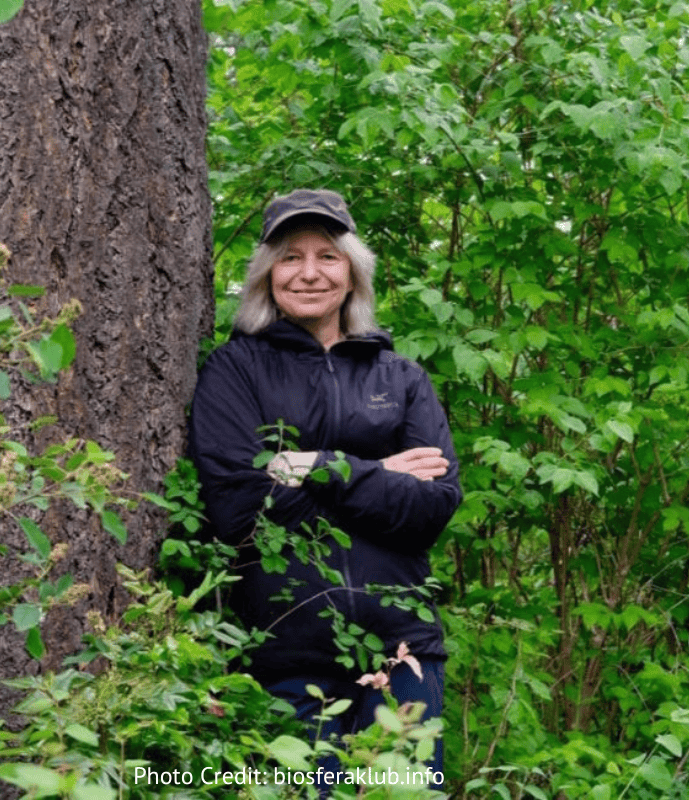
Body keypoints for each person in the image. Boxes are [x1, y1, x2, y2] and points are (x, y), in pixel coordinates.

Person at [188, 188, 462, 789]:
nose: (309, 273)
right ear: (267, 275)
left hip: (403, 649)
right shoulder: (236, 370)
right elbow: (241, 511)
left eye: (327, 256)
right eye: (290, 257)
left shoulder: (401, 377)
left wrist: (313, 464)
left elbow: (433, 507)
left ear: (353, 273)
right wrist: (382, 472)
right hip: (287, 653)